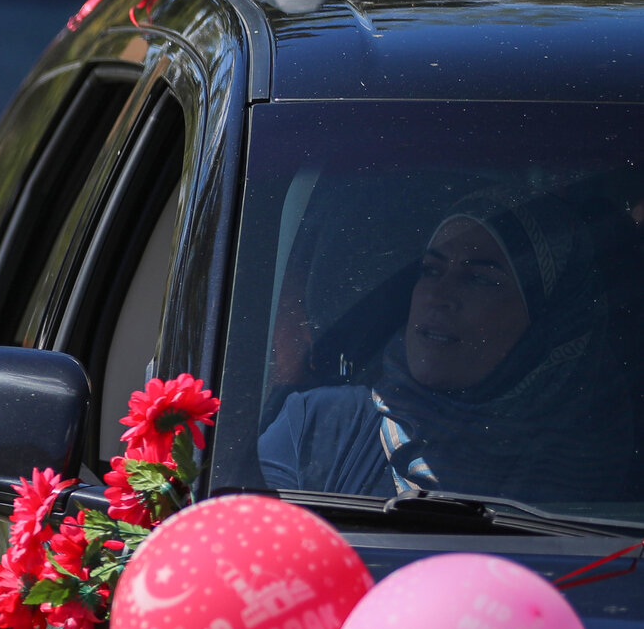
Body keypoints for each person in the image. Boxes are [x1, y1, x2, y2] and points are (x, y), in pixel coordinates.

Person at [258, 190, 632, 502]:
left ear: (547, 321)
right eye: (431, 270)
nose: (438, 296)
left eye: (479, 279)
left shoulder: (607, 465)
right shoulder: (316, 426)